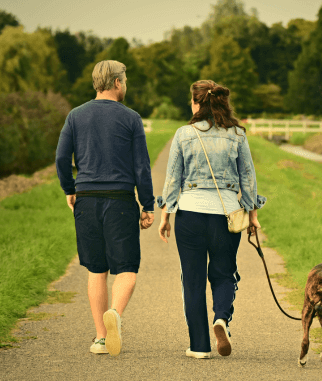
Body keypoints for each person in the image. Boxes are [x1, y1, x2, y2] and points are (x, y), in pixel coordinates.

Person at [156, 80, 266, 359]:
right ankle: (221, 318)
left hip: (190, 215)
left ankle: (199, 346)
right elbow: (248, 179)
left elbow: (172, 180)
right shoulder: (238, 135)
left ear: (196, 103)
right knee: (224, 273)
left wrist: (165, 216)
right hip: (226, 217)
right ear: (221, 103)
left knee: (192, 280)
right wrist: (252, 216)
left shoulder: (183, 134)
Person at [55, 60, 155, 357]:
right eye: (125, 80)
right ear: (116, 83)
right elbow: (141, 166)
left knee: (97, 269)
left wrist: (69, 189)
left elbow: (62, 158)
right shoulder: (131, 118)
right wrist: (147, 205)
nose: (125, 85)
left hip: (86, 199)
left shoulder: (75, 116)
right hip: (120, 201)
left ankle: (100, 337)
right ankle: (115, 312)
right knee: (126, 269)